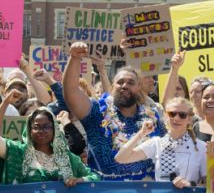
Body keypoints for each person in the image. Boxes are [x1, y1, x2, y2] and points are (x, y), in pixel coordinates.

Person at [62, 42, 163, 179]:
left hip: (144, 192)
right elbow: (71, 91)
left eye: (131, 83)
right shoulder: (96, 112)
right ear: (112, 86)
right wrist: (74, 58)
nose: (125, 86)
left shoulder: (153, 118)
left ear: (139, 87)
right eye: (120, 82)